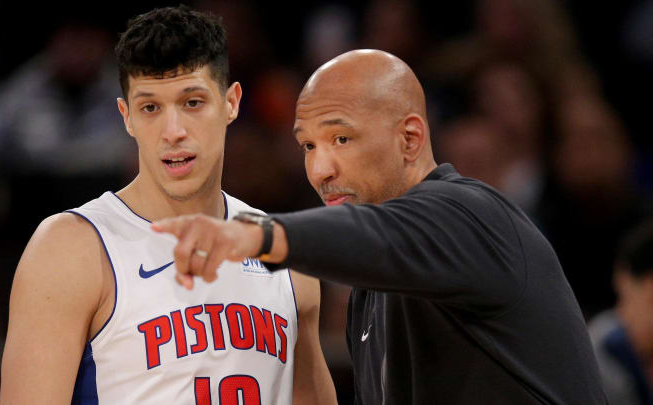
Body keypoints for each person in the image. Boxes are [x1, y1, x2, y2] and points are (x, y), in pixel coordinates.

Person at [152, 50, 609, 404]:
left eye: (341, 138)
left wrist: (255, 233)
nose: (320, 169)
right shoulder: (369, 290)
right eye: (308, 145)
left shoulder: (471, 214)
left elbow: (378, 233)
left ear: (409, 138)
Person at [0, 6, 337, 404]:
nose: (172, 132)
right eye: (150, 108)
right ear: (126, 117)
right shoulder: (71, 249)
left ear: (231, 102)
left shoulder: (283, 253)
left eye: (192, 102)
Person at [588, 221, 653, 405]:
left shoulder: (608, 346)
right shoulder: (612, 348)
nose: (622, 314)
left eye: (625, 297)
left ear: (650, 289)